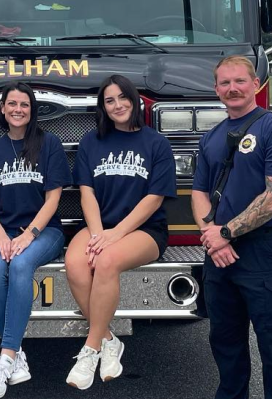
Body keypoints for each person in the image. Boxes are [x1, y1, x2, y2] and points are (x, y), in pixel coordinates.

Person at [192, 55, 272, 399]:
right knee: (225, 342)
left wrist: (225, 234)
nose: (232, 88)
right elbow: (198, 192)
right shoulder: (212, 136)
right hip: (219, 257)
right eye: (224, 83)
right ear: (216, 90)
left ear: (256, 84)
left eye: (239, 81)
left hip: (263, 253)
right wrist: (213, 236)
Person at [64, 74, 176, 390]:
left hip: (145, 230)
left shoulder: (156, 143)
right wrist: (99, 233)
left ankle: (90, 349)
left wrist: (114, 236)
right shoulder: (91, 142)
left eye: (122, 98)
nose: (117, 105)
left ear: (134, 100)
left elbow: (154, 199)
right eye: (109, 100)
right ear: (103, 106)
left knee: (106, 261)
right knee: (74, 263)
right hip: (101, 225)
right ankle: (109, 339)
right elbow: (86, 193)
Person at [0, 82, 70, 398]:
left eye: (24, 105)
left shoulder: (50, 144)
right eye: (12, 104)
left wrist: (29, 236)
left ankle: (5, 359)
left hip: (44, 231)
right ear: (2, 109)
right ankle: (16, 354)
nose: (18, 109)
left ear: (32, 111)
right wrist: (0, 234)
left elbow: (53, 199)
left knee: (19, 265)